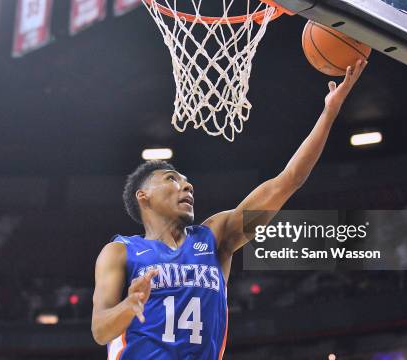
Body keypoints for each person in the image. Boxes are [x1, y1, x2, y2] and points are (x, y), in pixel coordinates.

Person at [92, 60, 368, 359]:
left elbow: (287, 183)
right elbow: (100, 330)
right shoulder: (120, 252)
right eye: (172, 179)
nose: (187, 187)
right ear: (143, 195)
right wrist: (128, 305)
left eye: (187, 182)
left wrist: (329, 113)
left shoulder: (214, 237)